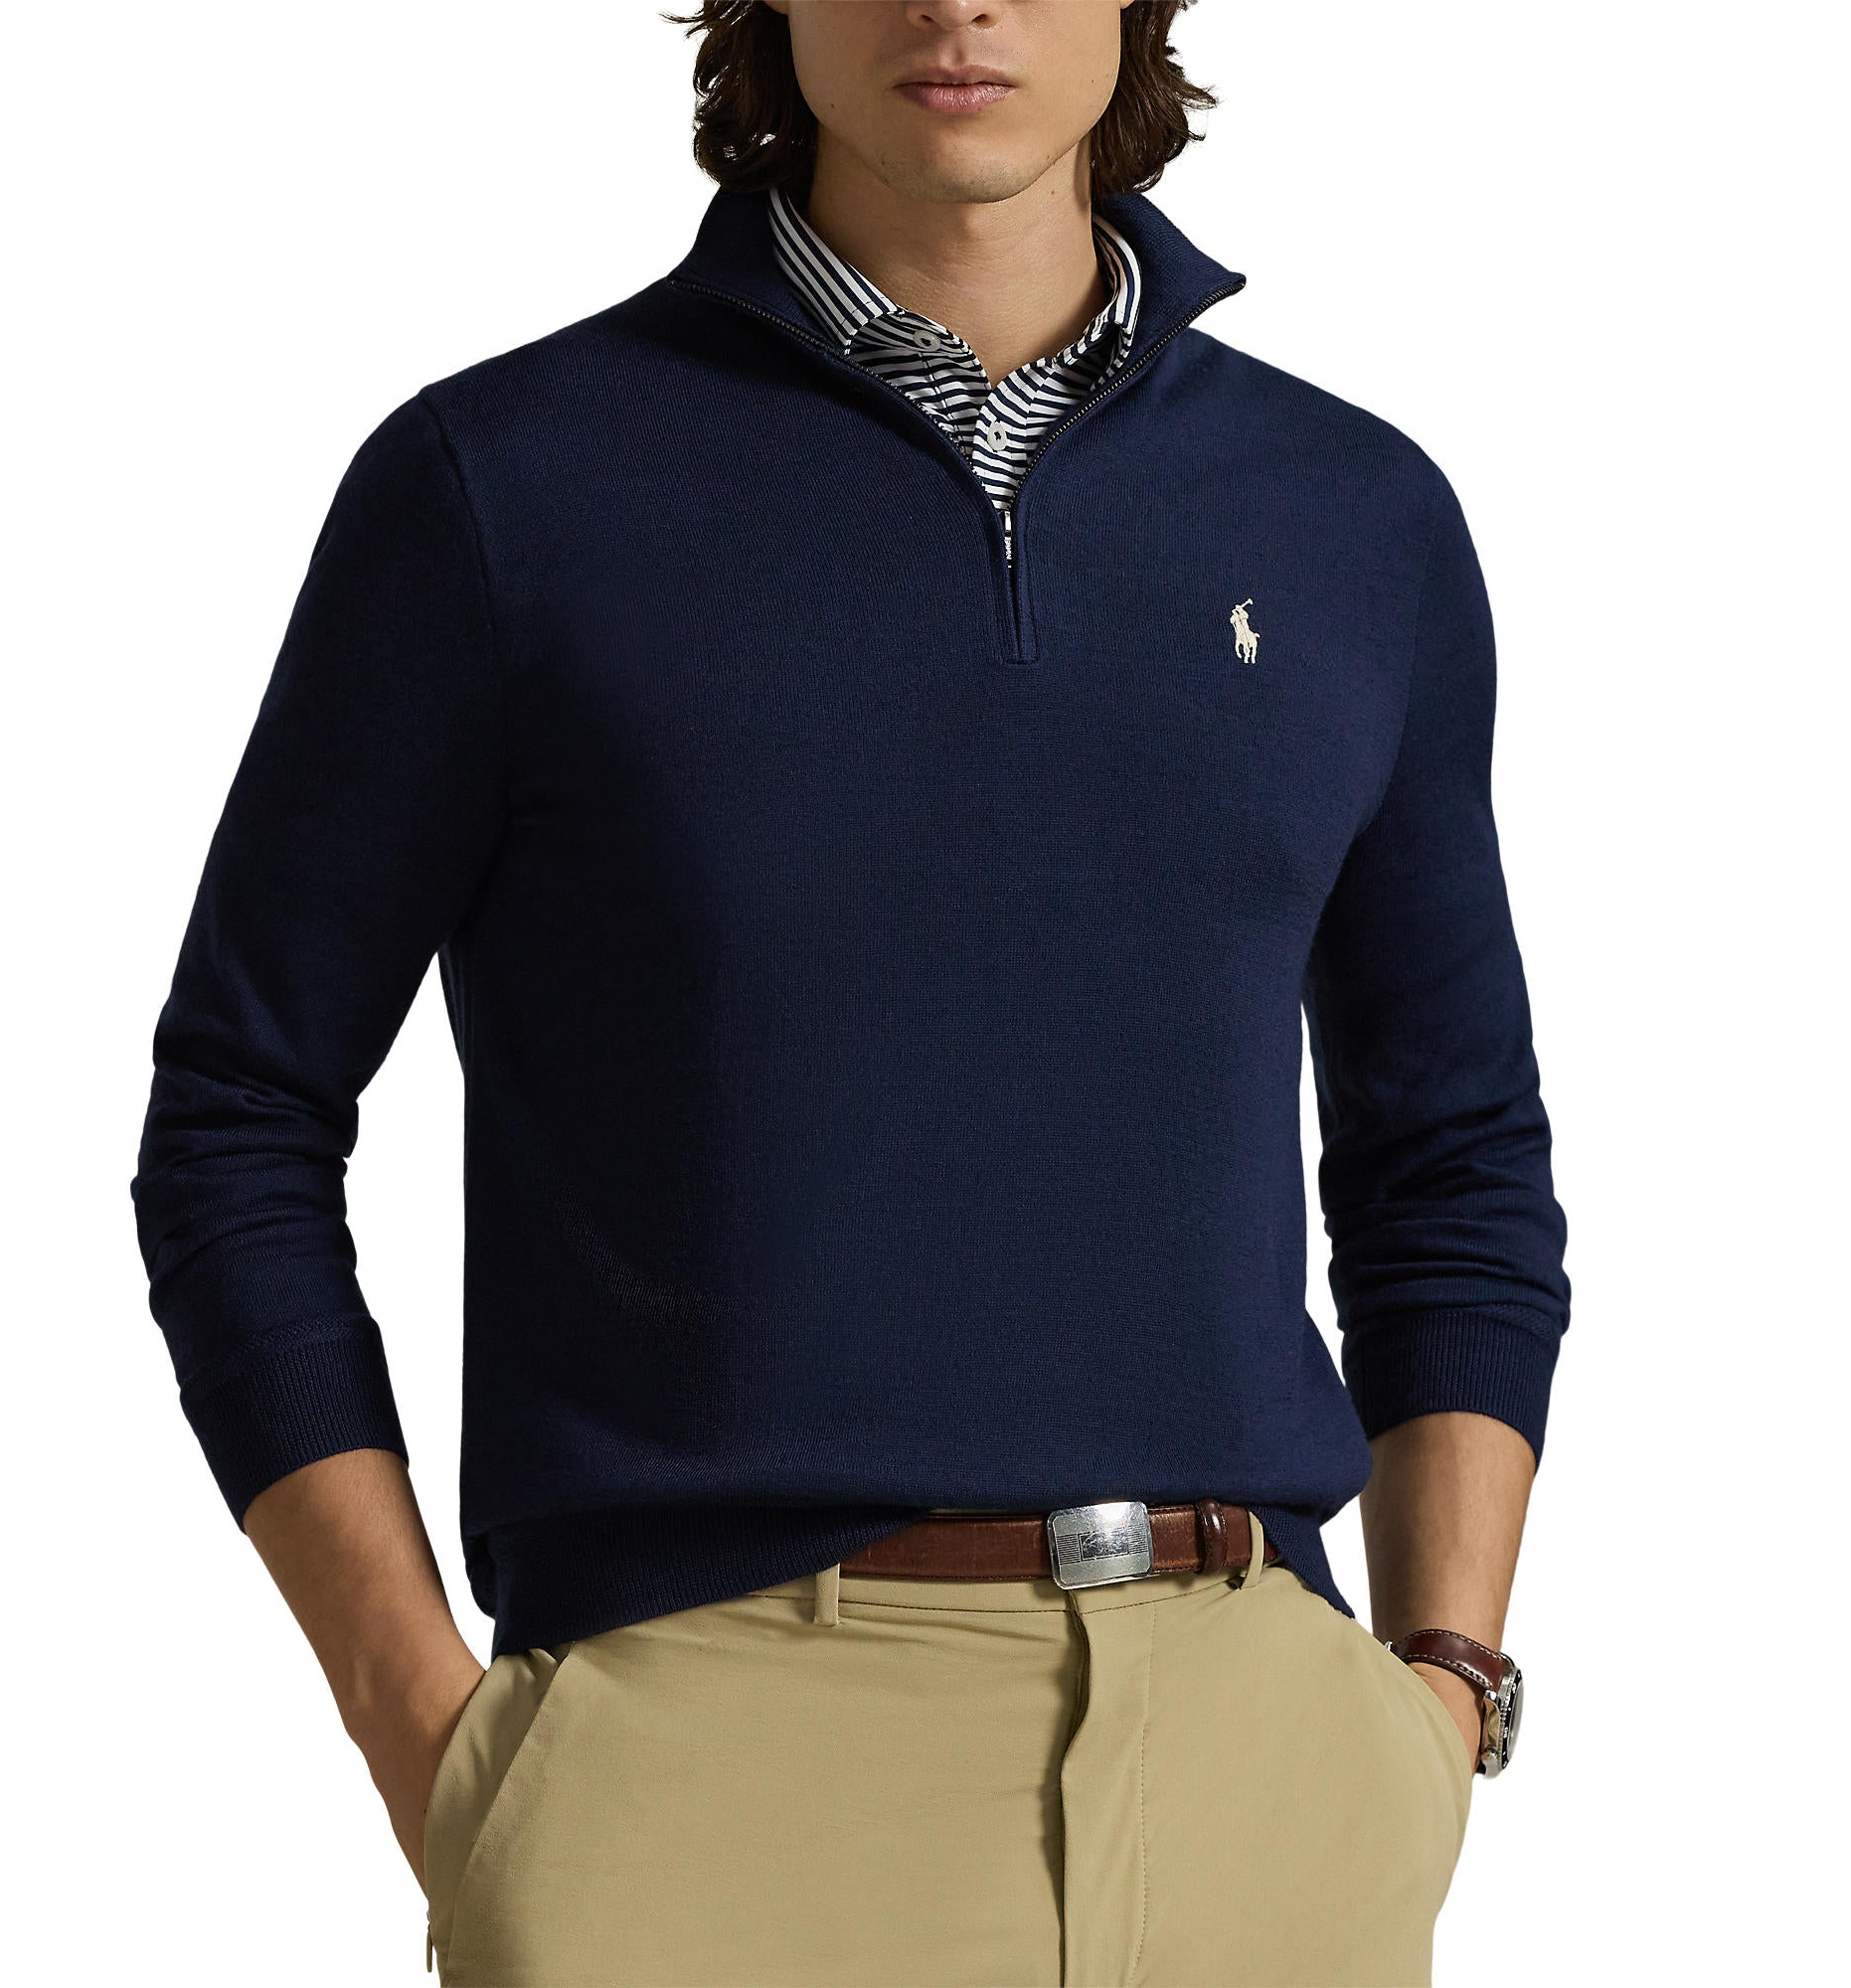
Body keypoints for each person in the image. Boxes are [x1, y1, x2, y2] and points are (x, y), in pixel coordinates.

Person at [132, 3, 1570, 1981]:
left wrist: (1438, 1690)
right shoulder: (501, 487)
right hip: (698, 1773)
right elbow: (240, 1116)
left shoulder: (1350, 516)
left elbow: (1453, 1150)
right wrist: (426, 1731)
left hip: (1262, 1760)